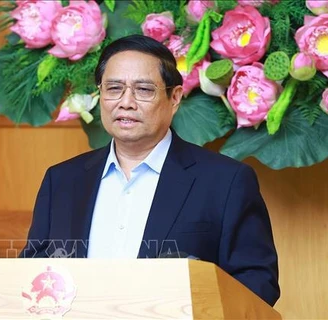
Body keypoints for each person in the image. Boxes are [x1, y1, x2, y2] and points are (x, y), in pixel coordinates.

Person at [21, 35, 280, 306]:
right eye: (114, 89)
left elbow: (257, 283)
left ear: (175, 97)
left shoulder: (225, 181)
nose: (126, 102)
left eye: (143, 90)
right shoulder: (61, 180)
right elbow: (33, 275)